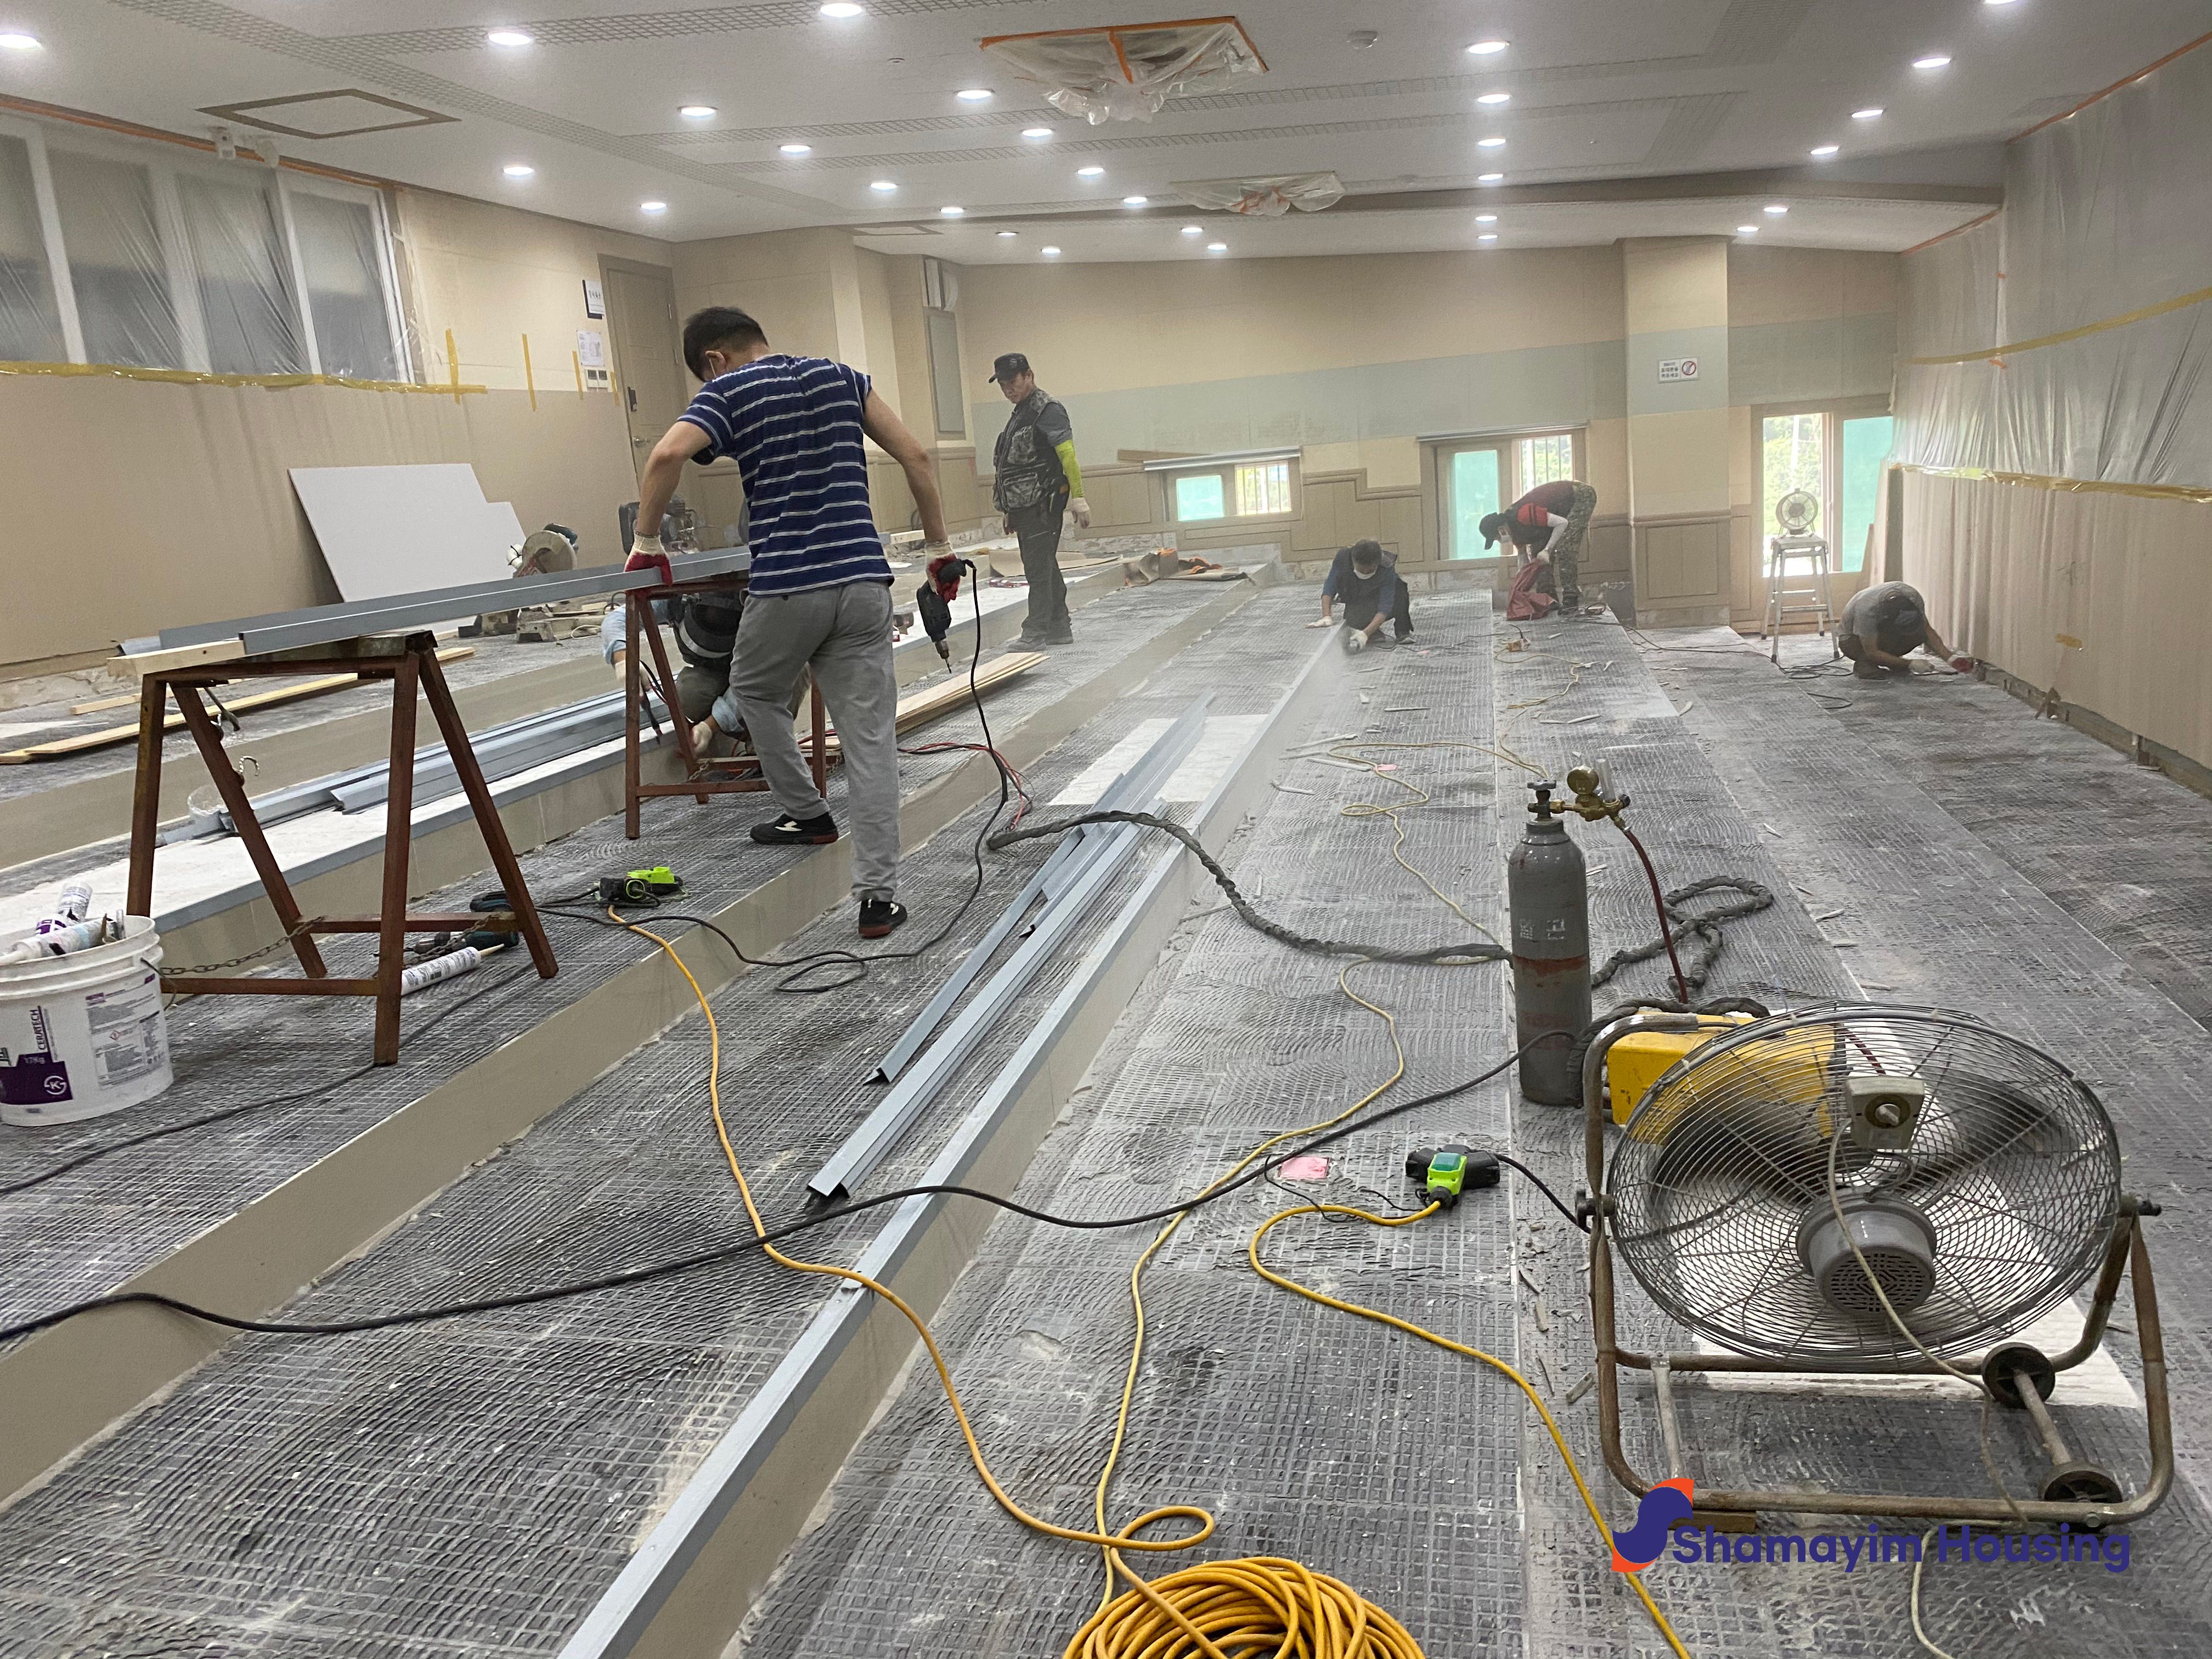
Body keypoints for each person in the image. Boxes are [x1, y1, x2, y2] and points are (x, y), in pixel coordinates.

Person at [629, 304, 949, 939]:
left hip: (788, 588)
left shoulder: (730, 388)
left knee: (754, 693)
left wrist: (647, 543)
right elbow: (916, 455)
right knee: (870, 742)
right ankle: (877, 901)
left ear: (715, 360)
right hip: (863, 583)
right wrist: (939, 551)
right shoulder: (843, 377)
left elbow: (666, 455)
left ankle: (808, 812)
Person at [989, 352, 1090, 648]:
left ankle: (1035, 632)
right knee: (1044, 564)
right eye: (1003, 385)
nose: (1008, 389)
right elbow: (1012, 467)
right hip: (1024, 506)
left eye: (1013, 382)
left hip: (1043, 503)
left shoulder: (1048, 410)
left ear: (1029, 376)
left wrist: (1079, 498)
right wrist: (1009, 509)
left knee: (1037, 569)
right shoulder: (1021, 412)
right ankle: (1059, 626)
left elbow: (1068, 456)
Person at [1480, 477, 1599, 613]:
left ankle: (1571, 599)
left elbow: (1562, 523)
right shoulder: (1515, 534)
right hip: (1558, 512)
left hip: (1579, 497)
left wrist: (1547, 550)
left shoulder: (1523, 515)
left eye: (1496, 538)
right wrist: (1520, 582)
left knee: (1565, 548)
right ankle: (1549, 600)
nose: (1499, 541)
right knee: (1537, 558)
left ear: (1501, 529)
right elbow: (1525, 562)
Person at [1836, 580, 1971, 679]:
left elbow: (1927, 630)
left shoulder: (1912, 597)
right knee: (1868, 656)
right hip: (1852, 641)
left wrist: (1950, 658)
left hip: (1884, 632)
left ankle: (1893, 661)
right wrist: (1910, 664)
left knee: (1918, 634)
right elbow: (1872, 651)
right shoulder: (1867, 611)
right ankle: (1864, 664)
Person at [1307, 539, 1412, 652]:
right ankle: (1374, 632)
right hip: (1357, 596)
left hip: (1380, 597)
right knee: (1353, 622)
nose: (1365, 572)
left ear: (1377, 564)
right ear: (1354, 561)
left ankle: (1403, 631)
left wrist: (1365, 634)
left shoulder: (1386, 567)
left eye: (1370, 570)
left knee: (1400, 590)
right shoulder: (1343, 557)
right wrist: (1326, 616)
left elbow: (1385, 606)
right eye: (1361, 570)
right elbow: (1330, 586)